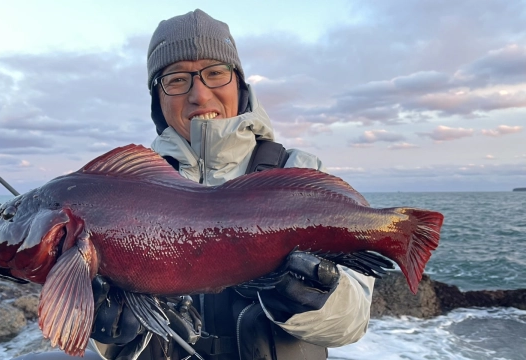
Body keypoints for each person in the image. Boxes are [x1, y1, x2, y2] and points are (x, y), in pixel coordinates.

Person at [87, 9, 375, 360]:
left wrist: (317, 300)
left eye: (215, 73)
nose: (200, 95)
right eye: (177, 79)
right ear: (156, 98)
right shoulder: (126, 187)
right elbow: (93, 329)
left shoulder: (299, 171)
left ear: (239, 82)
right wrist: (102, 328)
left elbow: (353, 323)